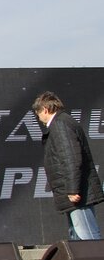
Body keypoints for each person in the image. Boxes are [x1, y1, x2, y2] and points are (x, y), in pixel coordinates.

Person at [33, 91, 103, 240]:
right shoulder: (63, 123)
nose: (38, 118)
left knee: (88, 238)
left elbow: (71, 158)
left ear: (45, 109)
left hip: (77, 194)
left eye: (38, 113)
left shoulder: (60, 125)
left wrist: (72, 189)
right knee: (78, 241)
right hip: (75, 191)